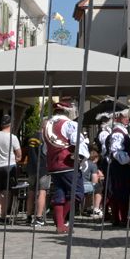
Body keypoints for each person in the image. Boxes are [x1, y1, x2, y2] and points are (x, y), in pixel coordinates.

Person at [42, 100, 89, 234]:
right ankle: (60, 221)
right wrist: (82, 158)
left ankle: (60, 224)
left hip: (53, 165)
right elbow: (77, 142)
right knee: (77, 193)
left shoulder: (46, 127)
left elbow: (45, 149)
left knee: (60, 193)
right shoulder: (69, 124)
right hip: (68, 163)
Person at [0, 115, 22, 222]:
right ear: (10, 124)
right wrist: (17, 159)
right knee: (6, 192)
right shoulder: (13, 137)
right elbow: (19, 154)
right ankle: (3, 216)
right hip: (9, 165)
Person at [104, 110, 130, 225]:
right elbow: (116, 152)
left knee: (119, 191)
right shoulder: (118, 133)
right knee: (121, 191)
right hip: (120, 167)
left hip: (119, 166)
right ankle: (121, 219)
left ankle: (118, 218)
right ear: (118, 118)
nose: (127, 119)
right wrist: (129, 160)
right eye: (124, 116)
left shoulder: (121, 131)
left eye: (127, 117)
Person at [24, 138, 48, 227]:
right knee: (42, 191)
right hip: (43, 168)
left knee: (31, 192)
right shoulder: (46, 138)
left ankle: (28, 217)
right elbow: (47, 153)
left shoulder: (31, 138)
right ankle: (38, 218)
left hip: (31, 168)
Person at [86, 147, 106, 217]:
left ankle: (88, 207)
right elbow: (94, 181)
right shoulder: (93, 165)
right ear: (96, 158)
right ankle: (96, 209)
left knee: (88, 192)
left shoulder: (84, 162)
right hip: (85, 185)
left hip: (80, 184)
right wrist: (101, 177)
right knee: (98, 188)